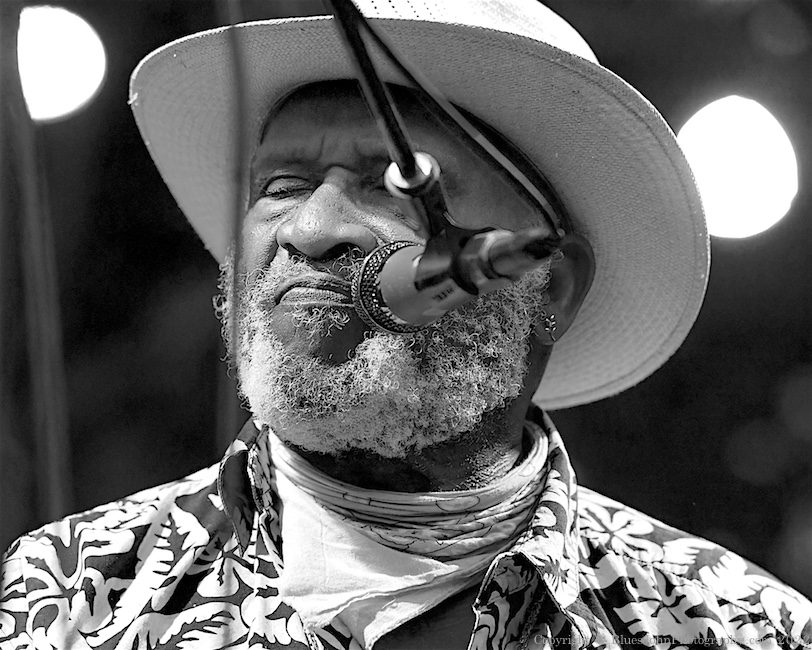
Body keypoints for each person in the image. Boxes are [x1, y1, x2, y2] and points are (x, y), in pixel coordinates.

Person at [2, 1, 811, 649]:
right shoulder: (59, 597)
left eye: (393, 184)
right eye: (281, 184)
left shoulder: (733, 625)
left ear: (548, 285)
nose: (313, 230)